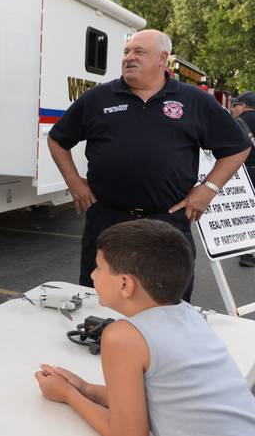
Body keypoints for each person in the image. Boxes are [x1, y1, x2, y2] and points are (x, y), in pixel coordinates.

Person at [48, 29, 250, 300]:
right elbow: (57, 140)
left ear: (162, 59)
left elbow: (238, 147)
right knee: (101, 301)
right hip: (108, 220)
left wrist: (207, 190)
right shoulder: (98, 99)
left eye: (139, 52)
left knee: (167, 303)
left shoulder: (194, 101)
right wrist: (74, 183)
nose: (129, 58)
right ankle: (105, 342)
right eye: (126, 52)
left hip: (166, 221)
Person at [34, 219, 255, 436]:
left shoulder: (122, 337)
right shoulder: (189, 314)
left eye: (99, 268)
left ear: (125, 284)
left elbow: (127, 432)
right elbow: (157, 401)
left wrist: (68, 395)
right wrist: (85, 388)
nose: (92, 275)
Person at [231, 91, 255, 267]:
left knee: (247, 211)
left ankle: (247, 252)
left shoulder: (238, 123)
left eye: (235, 105)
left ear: (244, 106)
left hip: (247, 173)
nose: (233, 109)